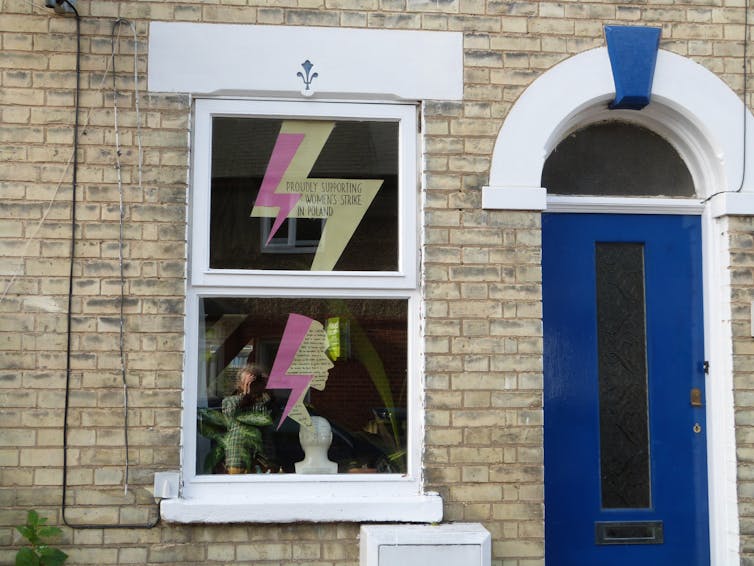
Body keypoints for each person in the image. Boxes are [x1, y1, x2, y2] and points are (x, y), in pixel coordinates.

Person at [222, 363, 275, 474]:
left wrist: (268, 385)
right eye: (248, 382)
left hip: (263, 454)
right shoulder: (229, 401)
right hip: (238, 454)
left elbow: (270, 418)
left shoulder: (266, 401)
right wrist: (246, 395)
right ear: (240, 384)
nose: (252, 385)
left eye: (255, 382)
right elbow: (232, 416)